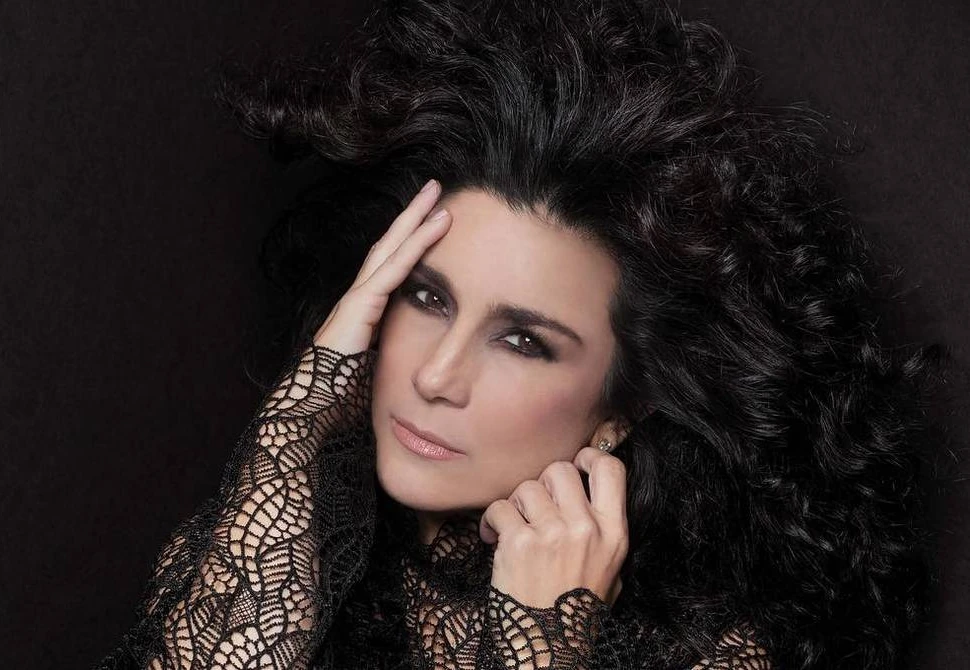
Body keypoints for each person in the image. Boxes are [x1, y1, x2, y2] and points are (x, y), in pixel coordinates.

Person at [95, 0, 939, 668]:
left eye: (523, 341)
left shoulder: (707, 652)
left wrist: (544, 642)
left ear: (621, 410)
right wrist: (307, 407)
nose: (436, 375)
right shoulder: (269, 551)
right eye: (425, 297)